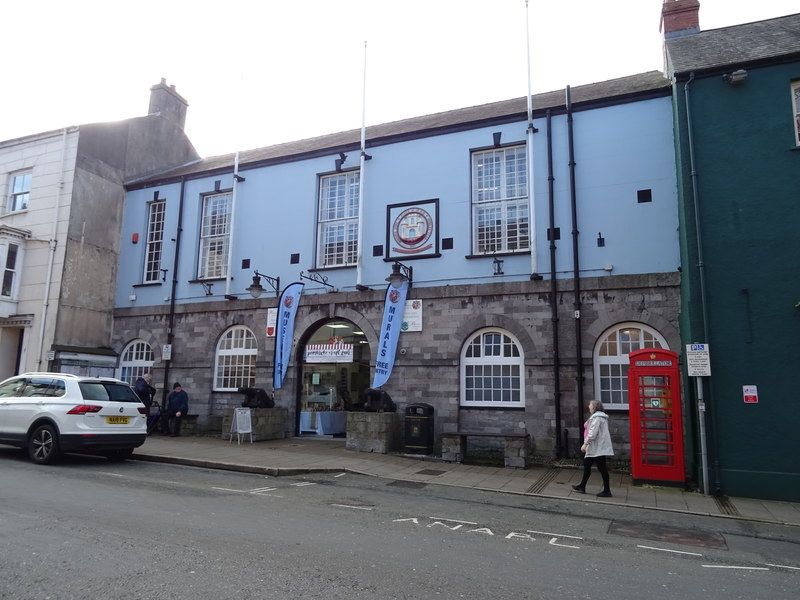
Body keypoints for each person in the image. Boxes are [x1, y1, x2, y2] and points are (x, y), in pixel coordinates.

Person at [572, 400, 614, 497]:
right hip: (595, 447)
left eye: (590, 405)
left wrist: (585, 444)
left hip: (597, 448)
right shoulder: (598, 417)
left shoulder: (597, 418)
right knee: (587, 465)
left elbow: (592, 433)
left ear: (595, 407)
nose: (588, 406)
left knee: (602, 468)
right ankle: (582, 486)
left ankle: (607, 491)